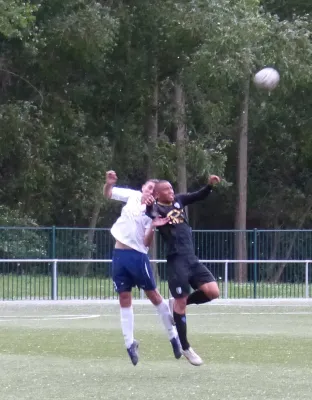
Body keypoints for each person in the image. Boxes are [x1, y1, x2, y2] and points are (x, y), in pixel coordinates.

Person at [103, 170, 181, 366]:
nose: (149, 192)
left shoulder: (153, 212)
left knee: (153, 295)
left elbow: (146, 243)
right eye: (148, 188)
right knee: (123, 297)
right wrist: (108, 183)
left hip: (137, 256)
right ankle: (130, 343)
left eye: (153, 191)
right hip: (119, 255)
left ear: (155, 196)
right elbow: (108, 193)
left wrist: (153, 225)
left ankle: (174, 336)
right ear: (143, 189)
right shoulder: (133, 196)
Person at [145, 176, 221, 366]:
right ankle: (186, 347)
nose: (171, 192)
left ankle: (178, 303)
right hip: (176, 260)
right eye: (167, 190)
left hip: (191, 258)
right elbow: (151, 212)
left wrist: (209, 185)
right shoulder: (156, 208)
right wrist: (152, 214)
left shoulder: (179, 201)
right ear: (158, 194)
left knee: (212, 292)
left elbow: (198, 195)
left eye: (172, 189)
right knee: (180, 304)